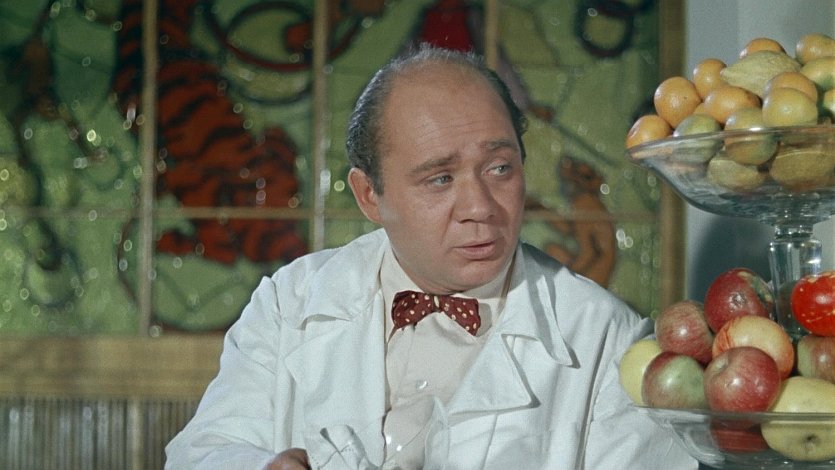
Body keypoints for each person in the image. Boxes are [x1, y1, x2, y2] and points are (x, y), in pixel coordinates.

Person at [165, 45, 696, 470]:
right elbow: (201, 453)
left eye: (500, 168)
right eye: (440, 179)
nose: (480, 208)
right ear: (370, 196)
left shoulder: (606, 338)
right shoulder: (291, 302)